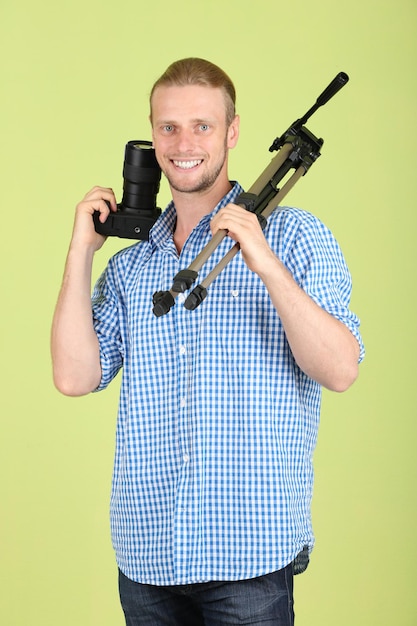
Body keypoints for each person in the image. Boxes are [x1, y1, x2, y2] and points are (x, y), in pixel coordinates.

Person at [51, 58, 364, 625]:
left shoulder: (293, 235)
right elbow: (75, 377)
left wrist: (263, 261)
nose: (183, 143)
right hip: (148, 558)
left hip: (249, 556)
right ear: (152, 136)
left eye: (202, 126)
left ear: (233, 132)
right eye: (168, 127)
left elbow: (340, 369)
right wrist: (81, 251)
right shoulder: (131, 267)